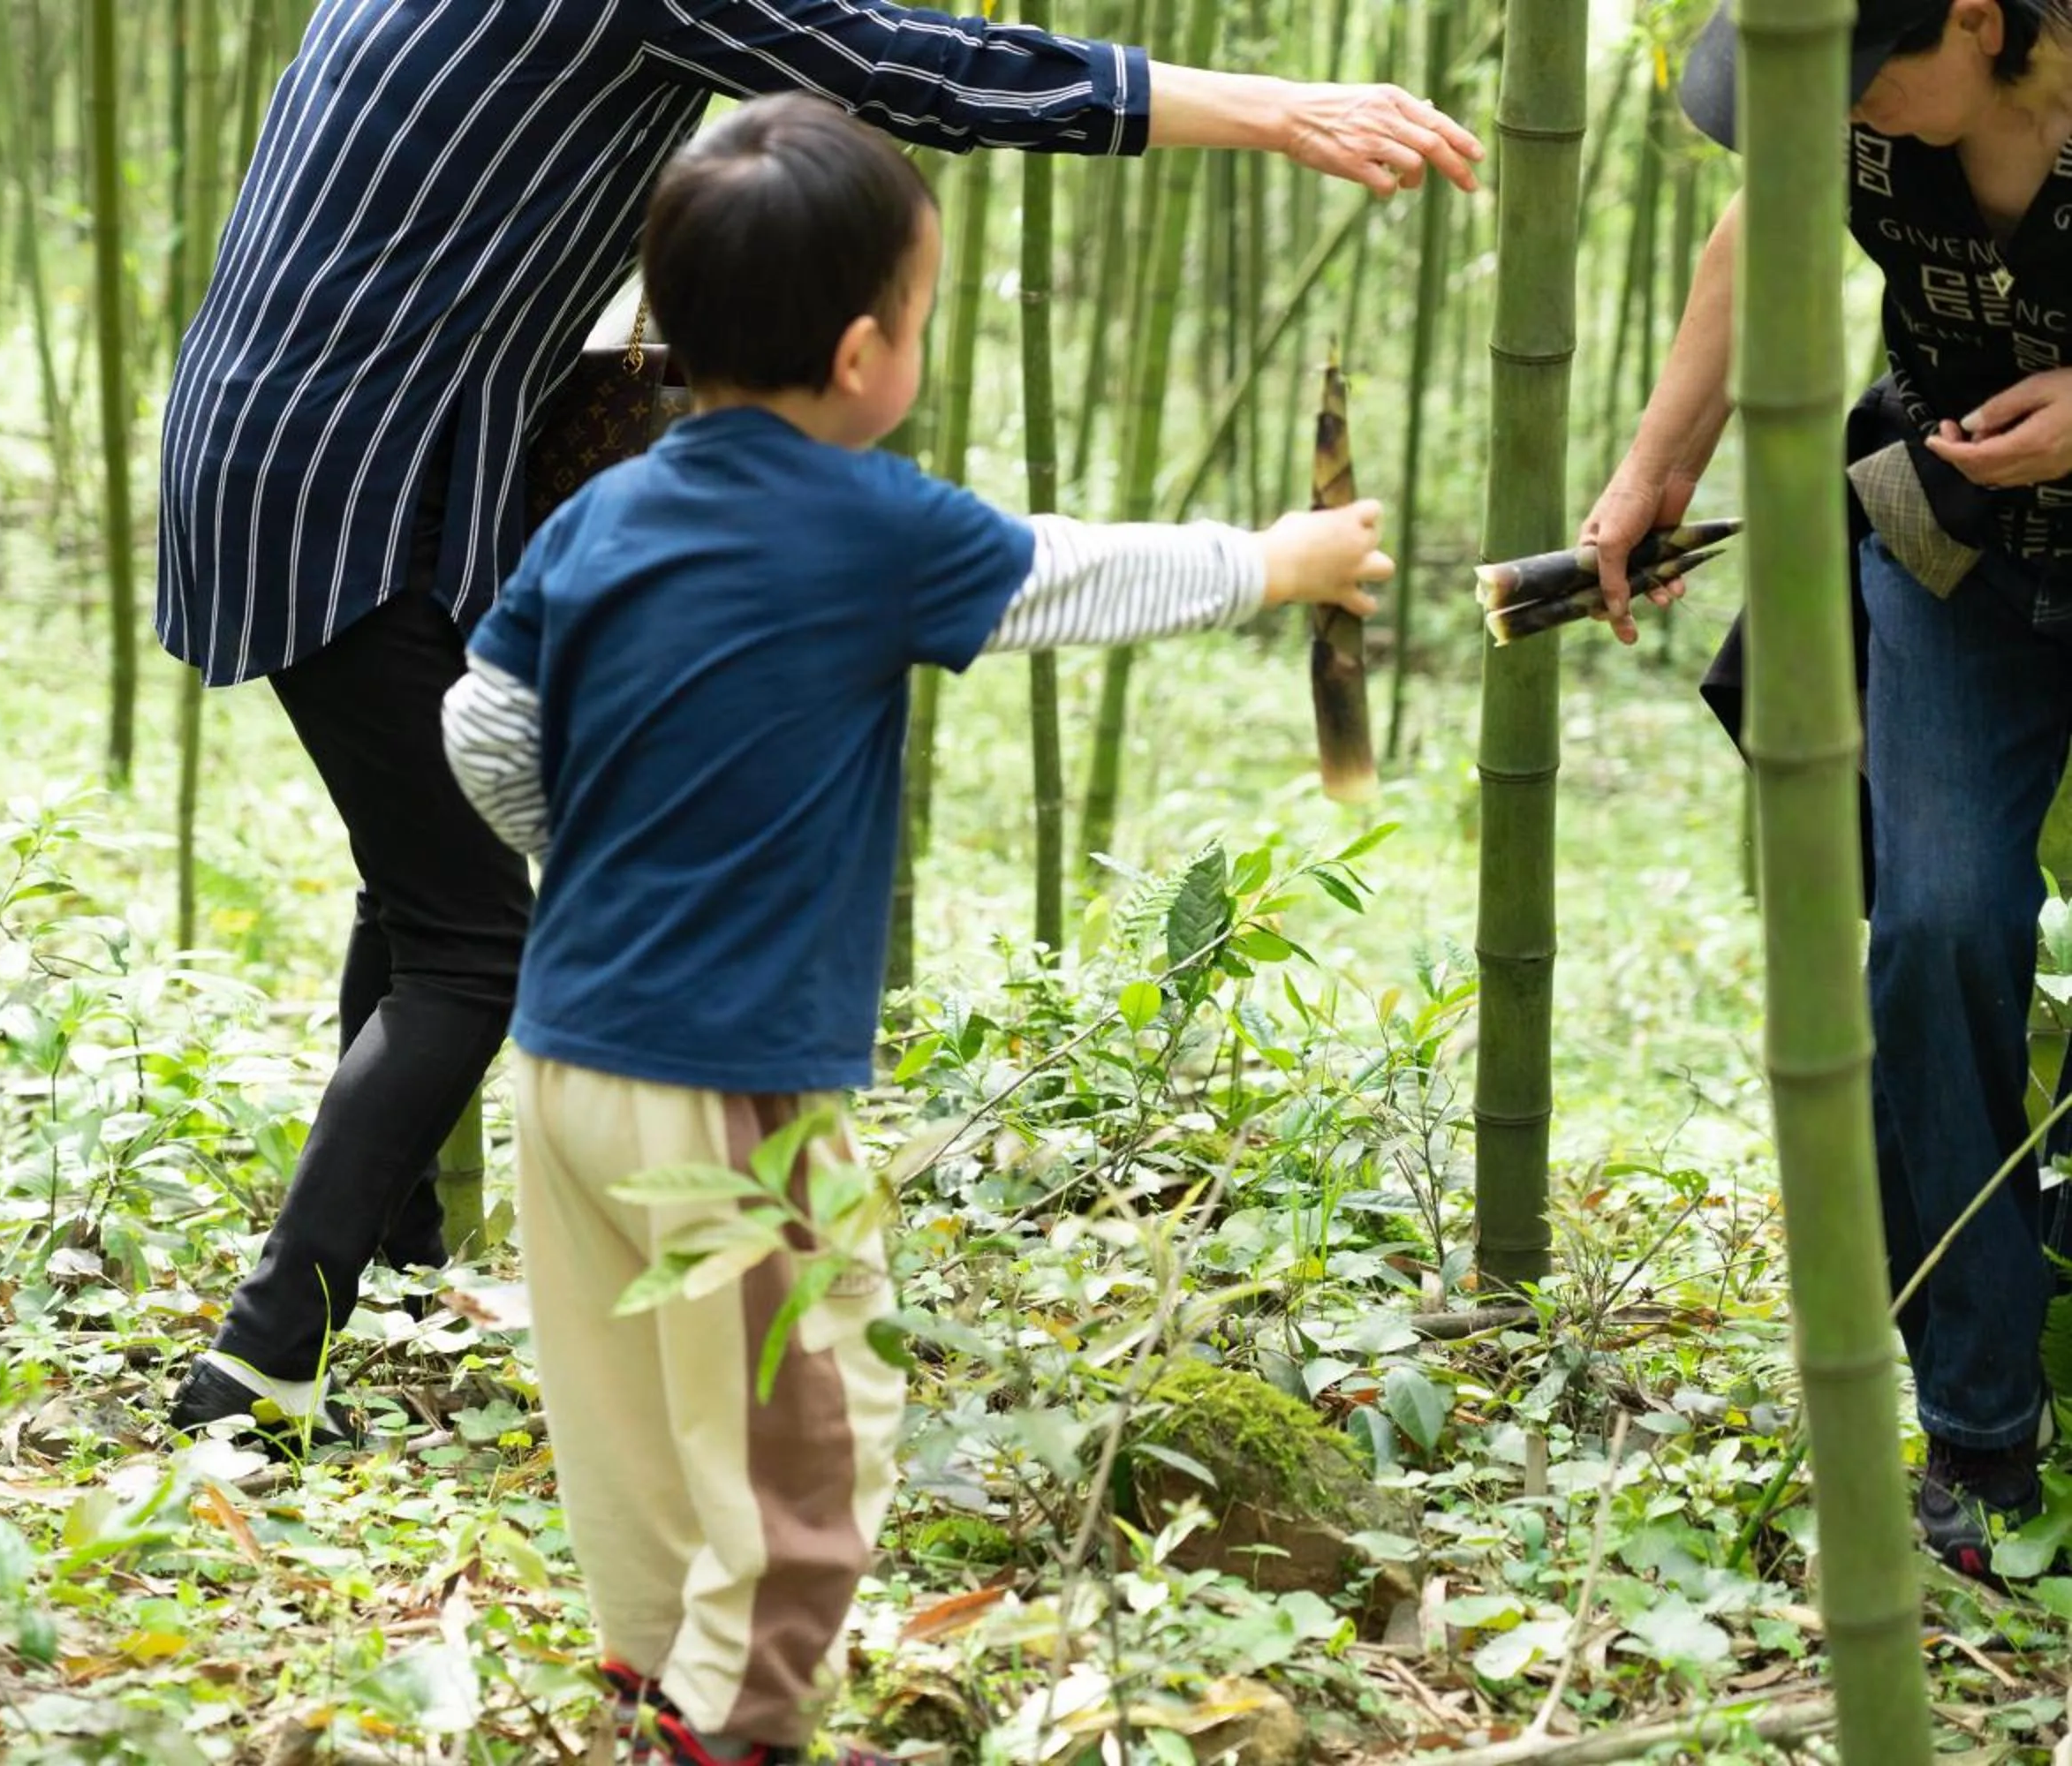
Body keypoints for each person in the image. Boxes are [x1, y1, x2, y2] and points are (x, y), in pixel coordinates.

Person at [155, 0, 1483, 1444]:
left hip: (296, 431)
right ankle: (261, 1364)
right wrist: (1278, 110)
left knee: (428, 890)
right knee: (471, 944)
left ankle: (391, 1274)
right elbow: (908, 68)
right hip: (355, 468)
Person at [439, 94, 1393, 1766]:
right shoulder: (870, 525)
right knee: (813, 1426)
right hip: (726, 1089)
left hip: (565, 1064)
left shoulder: (600, 515)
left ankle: (663, 1686)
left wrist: (592, 853)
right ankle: (733, 1733)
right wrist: (1277, 560)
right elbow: (1069, 575)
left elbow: (482, 725)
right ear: (867, 353)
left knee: (636, 1414)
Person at [1592, 0, 2072, 1582]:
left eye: (1866, 75)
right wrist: (1655, 465)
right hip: (1953, 554)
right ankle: (1982, 1430)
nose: (1848, 113)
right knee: (1934, 927)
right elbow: (1758, 234)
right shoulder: (1862, 126)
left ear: (1980, 21)